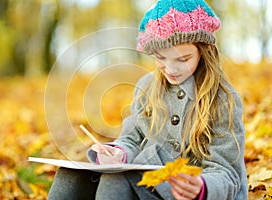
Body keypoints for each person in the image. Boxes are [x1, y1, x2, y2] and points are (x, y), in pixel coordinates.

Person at [48, 0, 248, 199]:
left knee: (115, 181)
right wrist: (119, 153)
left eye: (183, 59)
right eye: (161, 58)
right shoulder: (147, 87)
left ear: (204, 52)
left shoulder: (222, 99)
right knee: (70, 175)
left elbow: (227, 172)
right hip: (149, 183)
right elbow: (132, 138)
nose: (171, 69)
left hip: (191, 192)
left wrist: (201, 186)